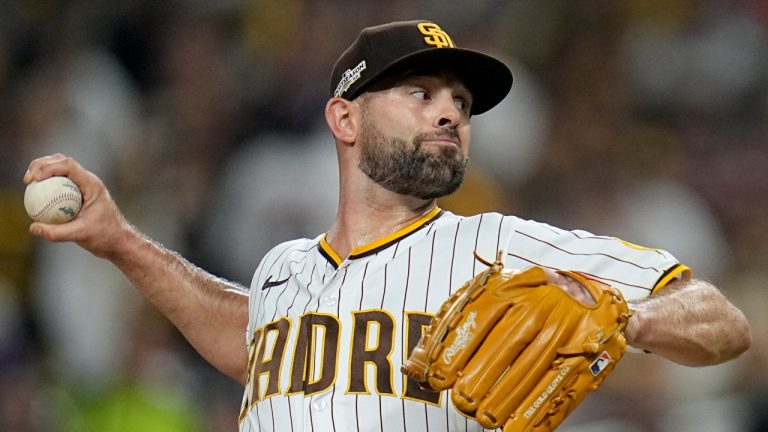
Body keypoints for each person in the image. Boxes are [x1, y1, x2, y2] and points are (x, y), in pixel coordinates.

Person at [24, 20, 751, 432]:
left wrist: (627, 317)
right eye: (420, 91)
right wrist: (119, 240)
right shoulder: (285, 268)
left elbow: (722, 321)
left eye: (462, 103)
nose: (451, 114)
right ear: (344, 116)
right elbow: (254, 339)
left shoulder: (494, 245)